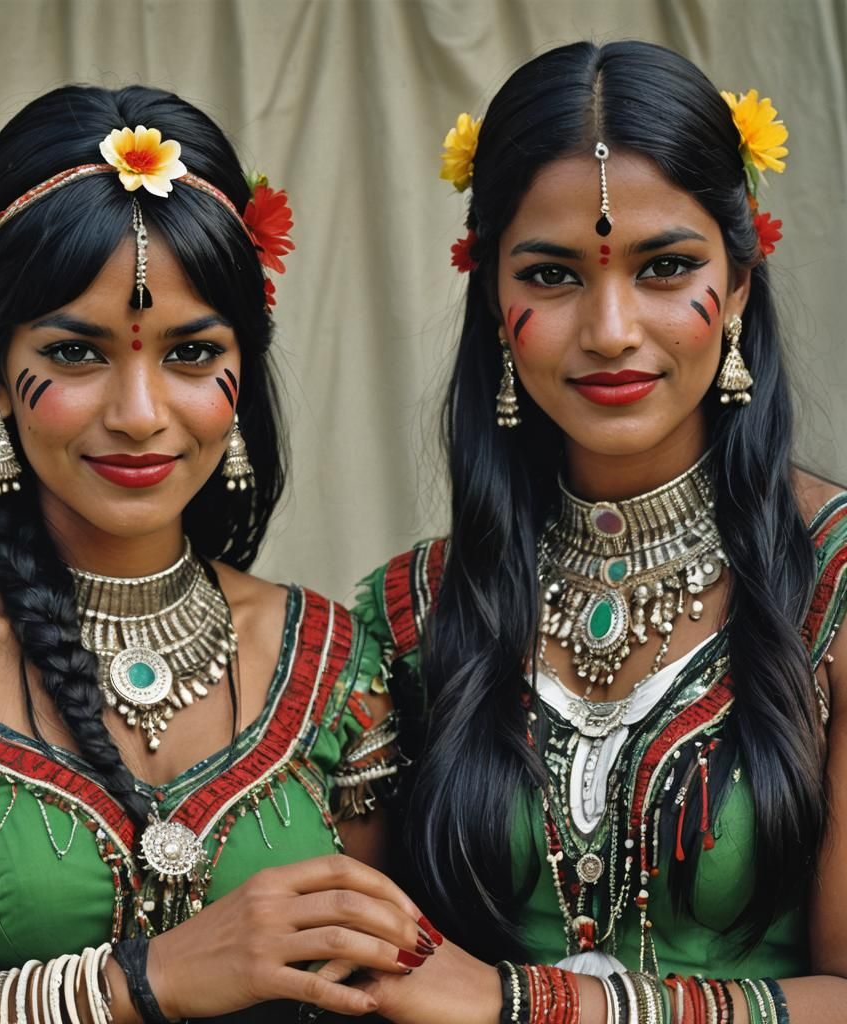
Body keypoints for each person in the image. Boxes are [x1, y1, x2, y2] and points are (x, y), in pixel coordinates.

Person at [0, 85, 439, 1024]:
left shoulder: (331, 663)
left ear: (243, 374)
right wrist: (138, 984)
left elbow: (393, 987)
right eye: (76, 355)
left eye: (191, 356)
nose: (140, 412)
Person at [352, 40, 847, 1023]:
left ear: (741, 281)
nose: (612, 328)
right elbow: (355, 973)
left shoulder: (830, 577)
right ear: (493, 298)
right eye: (552, 274)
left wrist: (533, 1004)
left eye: (666, 267)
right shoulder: (407, 614)